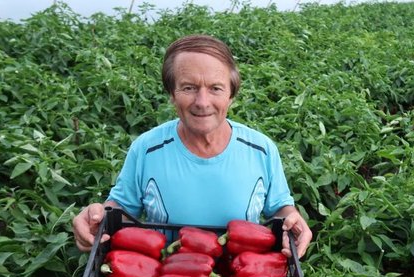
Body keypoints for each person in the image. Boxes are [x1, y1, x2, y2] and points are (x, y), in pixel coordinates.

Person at [72, 34, 312, 258]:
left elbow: (280, 209)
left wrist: (292, 219)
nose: (202, 102)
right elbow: (121, 209)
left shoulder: (261, 149)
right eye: (189, 88)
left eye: (215, 88)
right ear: (172, 94)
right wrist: (97, 217)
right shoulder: (146, 149)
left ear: (231, 94)